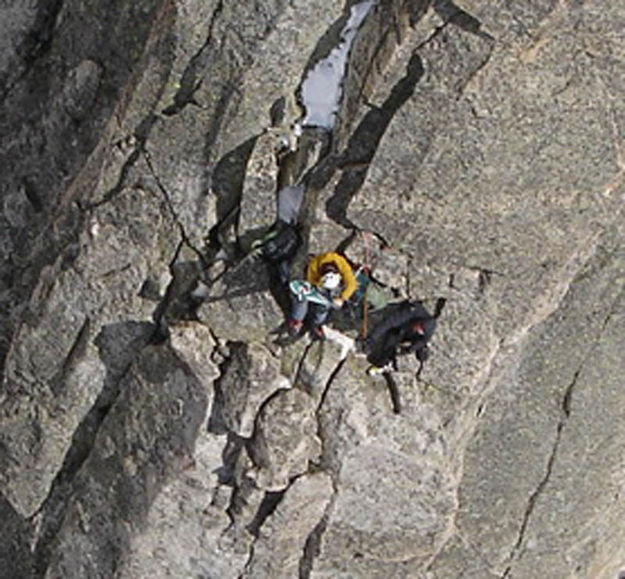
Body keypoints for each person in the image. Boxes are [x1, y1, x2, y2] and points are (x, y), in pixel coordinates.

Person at [365, 299, 444, 375]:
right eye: (418, 326)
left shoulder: (428, 331)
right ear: (419, 321)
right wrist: (371, 338)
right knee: (391, 338)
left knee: (420, 351)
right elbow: (388, 323)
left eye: (420, 330)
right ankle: (383, 360)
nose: (417, 329)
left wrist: (407, 350)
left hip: (408, 332)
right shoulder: (411, 311)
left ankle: (387, 362)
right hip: (400, 326)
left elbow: (422, 341)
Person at [288, 252, 357, 340]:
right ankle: (296, 320)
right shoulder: (314, 266)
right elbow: (311, 282)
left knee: (324, 306)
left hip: (331, 289)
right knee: (302, 300)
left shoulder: (343, 265)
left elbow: (352, 284)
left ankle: (317, 324)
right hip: (315, 286)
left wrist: (342, 298)